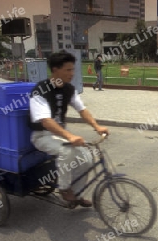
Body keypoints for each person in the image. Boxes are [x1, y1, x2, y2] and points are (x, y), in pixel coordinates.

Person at [29, 51, 109, 207]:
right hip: (42, 135)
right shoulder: (40, 90)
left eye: (73, 69)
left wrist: (96, 126)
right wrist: (70, 137)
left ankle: (77, 194)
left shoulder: (69, 89)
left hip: (60, 136)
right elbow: (45, 121)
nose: (72, 73)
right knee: (67, 150)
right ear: (55, 70)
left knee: (86, 157)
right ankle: (64, 189)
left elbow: (82, 110)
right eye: (68, 70)